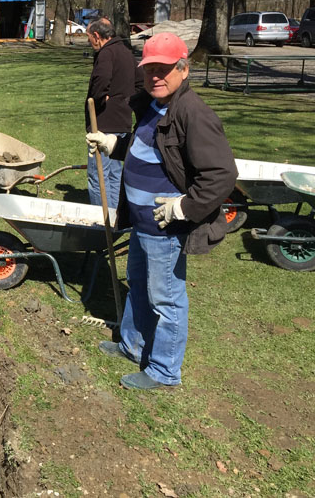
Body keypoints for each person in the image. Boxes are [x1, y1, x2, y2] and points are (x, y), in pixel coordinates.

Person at [86, 32, 237, 390]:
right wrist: (113, 144)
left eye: (164, 69)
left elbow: (222, 174)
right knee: (138, 285)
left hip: (164, 227)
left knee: (166, 299)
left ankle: (165, 371)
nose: (155, 76)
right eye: (150, 68)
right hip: (141, 224)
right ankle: (133, 345)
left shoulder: (193, 114)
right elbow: (147, 148)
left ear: (183, 69)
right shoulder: (152, 105)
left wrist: (183, 206)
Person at [84, 17, 142, 209]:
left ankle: (103, 219)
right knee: (114, 174)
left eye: (88, 37)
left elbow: (101, 80)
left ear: (96, 35)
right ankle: (115, 215)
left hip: (104, 123)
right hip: (122, 122)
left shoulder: (106, 53)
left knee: (98, 175)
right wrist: (127, 101)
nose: (89, 42)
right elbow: (141, 82)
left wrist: (100, 99)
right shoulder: (126, 52)